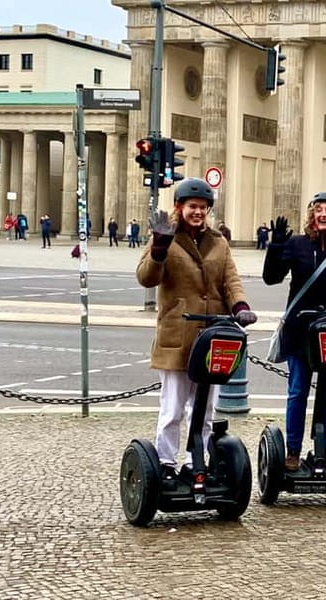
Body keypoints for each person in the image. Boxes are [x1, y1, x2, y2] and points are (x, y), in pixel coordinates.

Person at [136, 177, 258, 480]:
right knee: (173, 409)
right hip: (178, 334)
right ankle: (165, 462)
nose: (198, 212)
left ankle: (195, 463)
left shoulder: (218, 241)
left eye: (203, 207)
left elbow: (231, 281)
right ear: (180, 207)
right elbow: (146, 278)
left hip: (212, 335)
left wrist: (240, 306)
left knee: (204, 410)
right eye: (192, 206)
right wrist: (160, 249)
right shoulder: (165, 237)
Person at [262, 192, 326, 473]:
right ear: (311, 215)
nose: (323, 214)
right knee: (297, 391)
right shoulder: (297, 245)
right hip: (301, 331)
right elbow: (271, 278)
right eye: (318, 209)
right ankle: (293, 450)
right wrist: (276, 246)